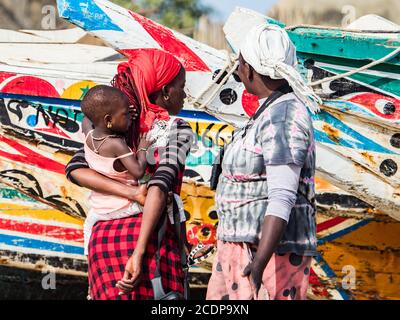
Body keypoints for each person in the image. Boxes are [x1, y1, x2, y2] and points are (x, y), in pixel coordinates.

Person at [65, 48, 193, 300]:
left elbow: (75, 169)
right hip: (150, 243)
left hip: (103, 240)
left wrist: (131, 193)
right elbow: (159, 186)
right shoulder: (178, 130)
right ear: (166, 92)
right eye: (181, 86)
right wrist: (139, 252)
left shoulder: (108, 127)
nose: (185, 94)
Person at [206, 23, 321, 300]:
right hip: (246, 249)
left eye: (240, 63)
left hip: (267, 256)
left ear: (249, 68)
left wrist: (256, 268)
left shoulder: (284, 116)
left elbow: (282, 196)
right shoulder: (269, 111)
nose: (237, 70)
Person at [79, 85, 153, 255]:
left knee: (88, 226)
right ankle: (184, 245)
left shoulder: (89, 133)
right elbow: (138, 171)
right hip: (123, 205)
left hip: (98, 207)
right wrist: (142, 149)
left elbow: (87, 118)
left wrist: (120, 113)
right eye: (126, 114)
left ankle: (88, 255)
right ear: (108, 120)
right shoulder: (116, 144)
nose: (129, 117)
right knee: (170, 204)